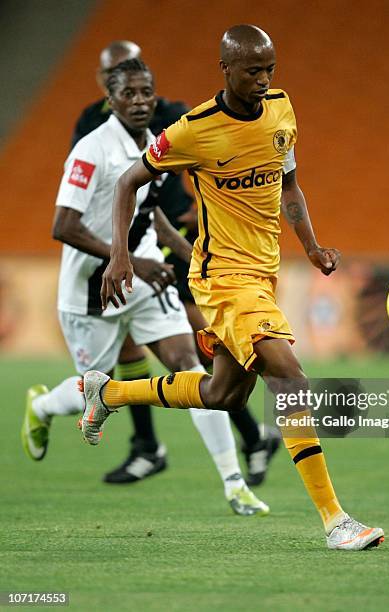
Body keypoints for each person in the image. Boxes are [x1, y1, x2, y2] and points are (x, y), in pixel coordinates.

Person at [82, 25, 384, 550]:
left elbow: (289, 182)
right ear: (225, 69)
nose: (264, 80)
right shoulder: (193, 129)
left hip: (263, 276)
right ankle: (335, 520)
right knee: (290, 378)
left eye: (270, 69)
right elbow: (130, 180)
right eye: (252, 71)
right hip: (222, 279)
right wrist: (119, 254)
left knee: (224, 394)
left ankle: (108, 392)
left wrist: (311, 247)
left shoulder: (282, 109)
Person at [21, 58, 269, 516]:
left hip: (144, 276)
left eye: (146, 92)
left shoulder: (155, 144)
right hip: (91, 289)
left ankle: (235, 485)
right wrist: (128, 258)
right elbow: (63, 226)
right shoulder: (90, 151)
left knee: (190, 368)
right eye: (129, 94)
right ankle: (42, 407)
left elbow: (149, 206)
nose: (140, 101)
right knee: (92, 386)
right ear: (110, 100)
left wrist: (188, 252)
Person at [73, 40, 279, 485]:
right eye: (117, 81)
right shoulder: (92, 127)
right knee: (155, 346)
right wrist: (121, 249)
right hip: (133, 239)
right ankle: (154, 445)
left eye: (140, 86)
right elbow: (100, 188)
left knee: (194, 337)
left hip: (174, 237)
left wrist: (194, 213)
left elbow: (203, 164)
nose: (136, 97)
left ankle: (238, 438)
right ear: (104, 85)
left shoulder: (176, 115)